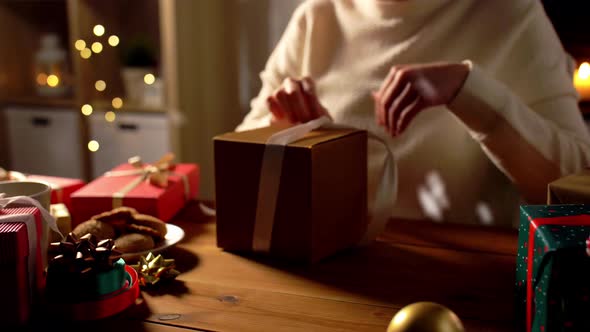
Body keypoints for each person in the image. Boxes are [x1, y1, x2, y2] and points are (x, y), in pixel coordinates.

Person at [236, 0, 590, 227]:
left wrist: (469, 91)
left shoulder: (511, 14)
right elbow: (235, 165)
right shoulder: (316, 16)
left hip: (466, 290)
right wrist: (282, 127)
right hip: (329, 278)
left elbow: (578, 181)